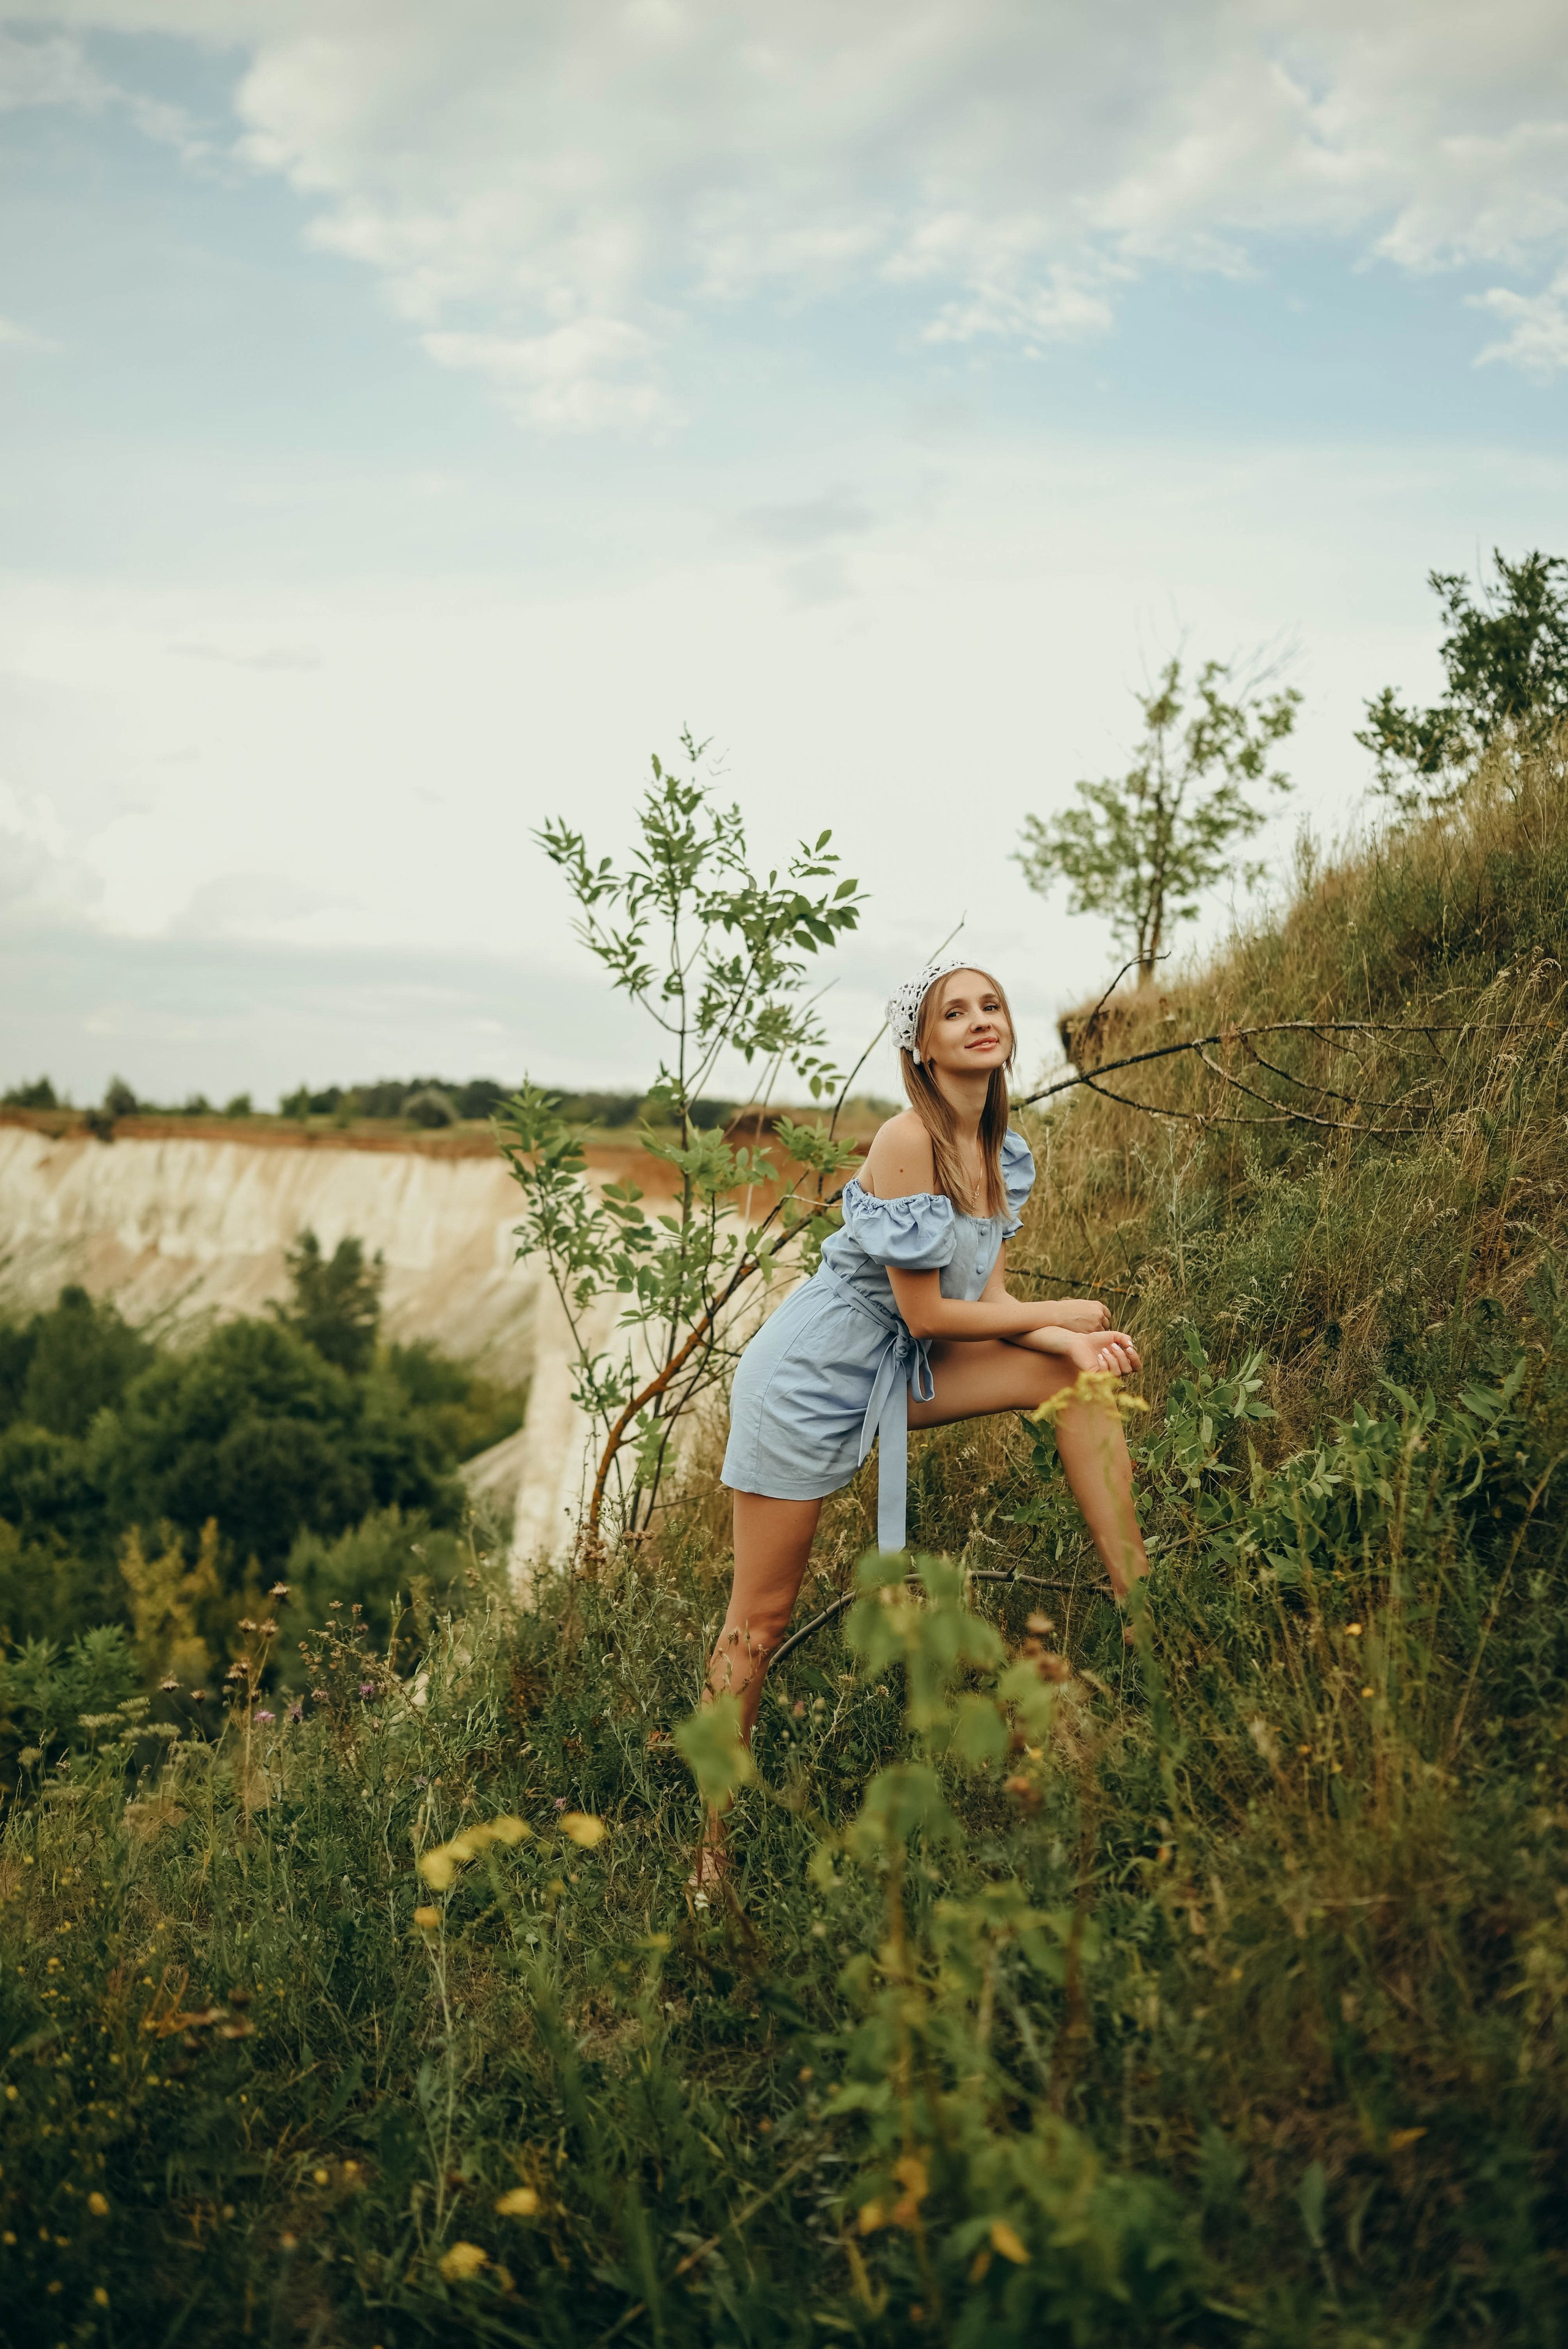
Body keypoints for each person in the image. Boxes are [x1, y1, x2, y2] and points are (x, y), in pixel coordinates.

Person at [701, 959, 1148, 1870]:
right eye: (956, 1011)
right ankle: (713, 1846)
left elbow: (987, 1295)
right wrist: (1060, 1318)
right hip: (814, 1378)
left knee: (1082, 1383)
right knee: (762, 1619)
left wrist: (1056, 1346)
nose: (981, 1020)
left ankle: (1141, 1606)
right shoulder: (908, 1139)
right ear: (923, 1045)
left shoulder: (1003, 1149)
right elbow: (929, 1314)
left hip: (905, 1369)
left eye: (992, 1006)